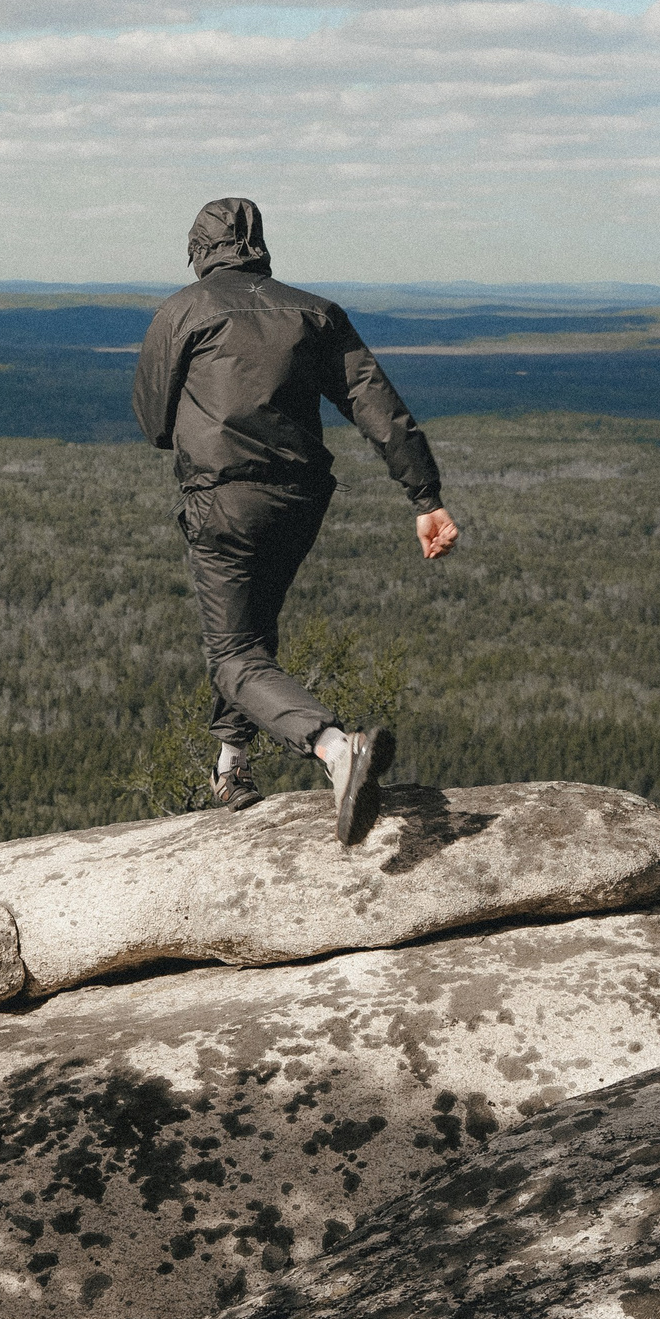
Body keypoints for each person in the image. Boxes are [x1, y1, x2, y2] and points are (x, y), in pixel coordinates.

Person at [133, 196, 459, 845]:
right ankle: (233, 765)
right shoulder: (314, 311)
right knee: (253, 629)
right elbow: (376, 404)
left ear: (198, 249)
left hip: (224, 496)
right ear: (259, 245)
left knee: (231, 655)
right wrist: (426, 498)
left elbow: (152, 421)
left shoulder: (182, 311)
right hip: (302, 498)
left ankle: (338, 749)